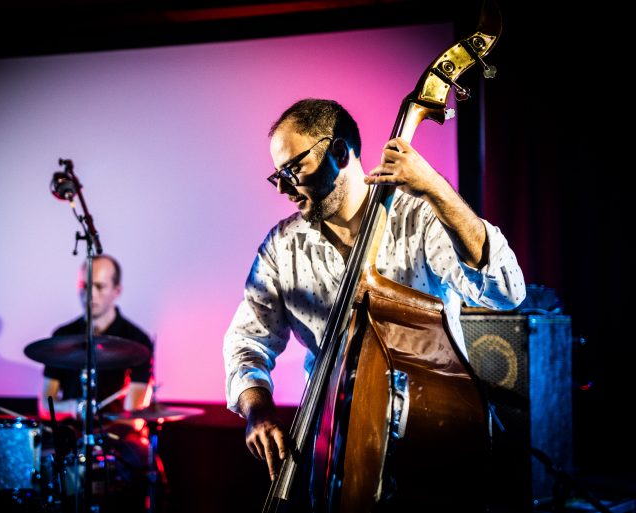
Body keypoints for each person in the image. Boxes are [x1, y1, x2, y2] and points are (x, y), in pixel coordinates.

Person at [222, 99, 526, 495]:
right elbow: (246, 341)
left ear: (338, 152)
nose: (283, 187)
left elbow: (506, 292)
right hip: (331, 446)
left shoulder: (419, 219)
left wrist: (435, 188)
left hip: (429, 435)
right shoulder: (282, 247)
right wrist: (257, 408)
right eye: (277, 174)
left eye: (293, 169)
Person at [38, 254, 155, 512]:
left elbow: (134, 413)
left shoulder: (136, 340)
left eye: (99, 286)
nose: (90, 294)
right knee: (39, 459)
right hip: (70, 434)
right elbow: (45, 403)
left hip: (117, 438)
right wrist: (76, 406)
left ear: (117, 290)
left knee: (136, 459)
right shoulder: (62, 337)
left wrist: (99, 422)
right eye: (85, 286)